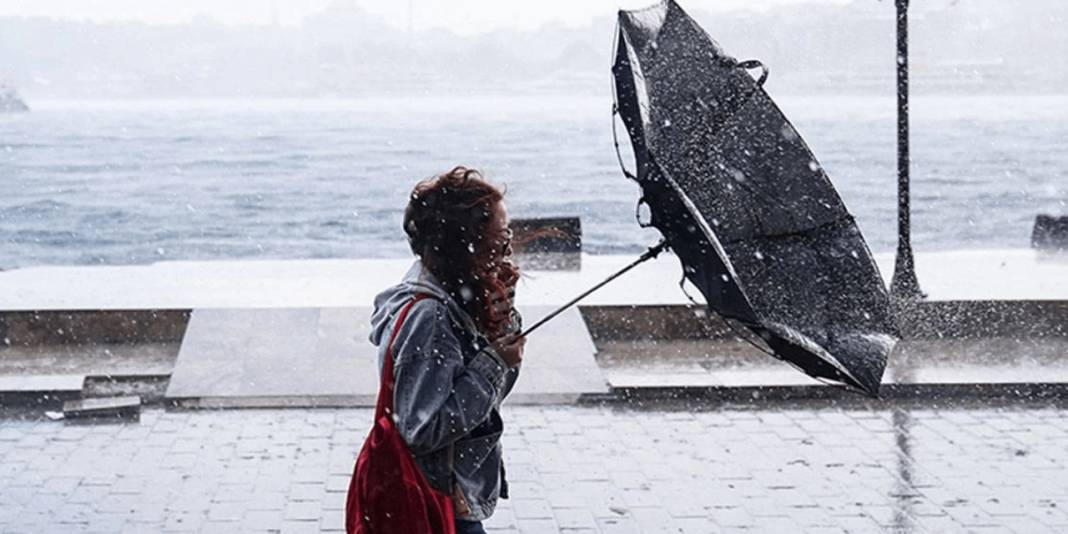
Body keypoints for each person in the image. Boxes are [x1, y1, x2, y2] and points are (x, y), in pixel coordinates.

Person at [368, 166, 525, 533]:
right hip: (438, 504)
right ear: (465, 244)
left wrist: (501, 321)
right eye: (500, 237)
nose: (507, 249)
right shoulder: (431, 318)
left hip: (450, 498)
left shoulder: (448, 293)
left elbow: (488, 398)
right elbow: (423, 428)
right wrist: (494, 362)